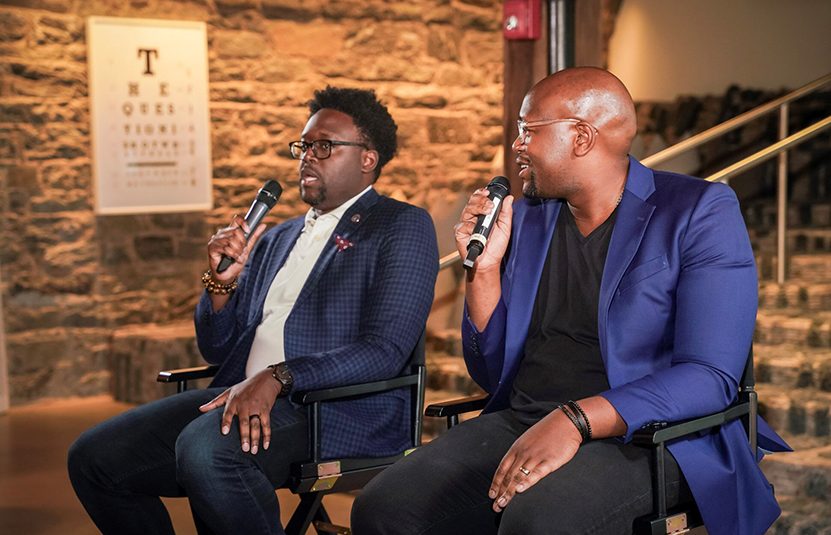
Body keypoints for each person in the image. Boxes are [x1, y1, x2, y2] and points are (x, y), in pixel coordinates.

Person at [351, 67, 789, 535]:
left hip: (649, 435)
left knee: (537, 522)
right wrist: (485, 269)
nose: (516, 145)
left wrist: (576, 419)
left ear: (581, 137)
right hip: (526, 417)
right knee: (383, 508)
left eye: (527, 131)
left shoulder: (698, 210)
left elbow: (710, 377)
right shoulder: (531, 219)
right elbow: (492, 373)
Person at [68, 87, 439, 535]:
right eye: (303, 145)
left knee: (206, 450)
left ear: (368, 159)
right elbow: (217, 346)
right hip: (241, 391)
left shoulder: (401, 225)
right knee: (94, 458)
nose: (307, 157)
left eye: (324, 145)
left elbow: (384, 350)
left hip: (333, 407)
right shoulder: (276, 237)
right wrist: (220, 284)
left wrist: (278, 376)